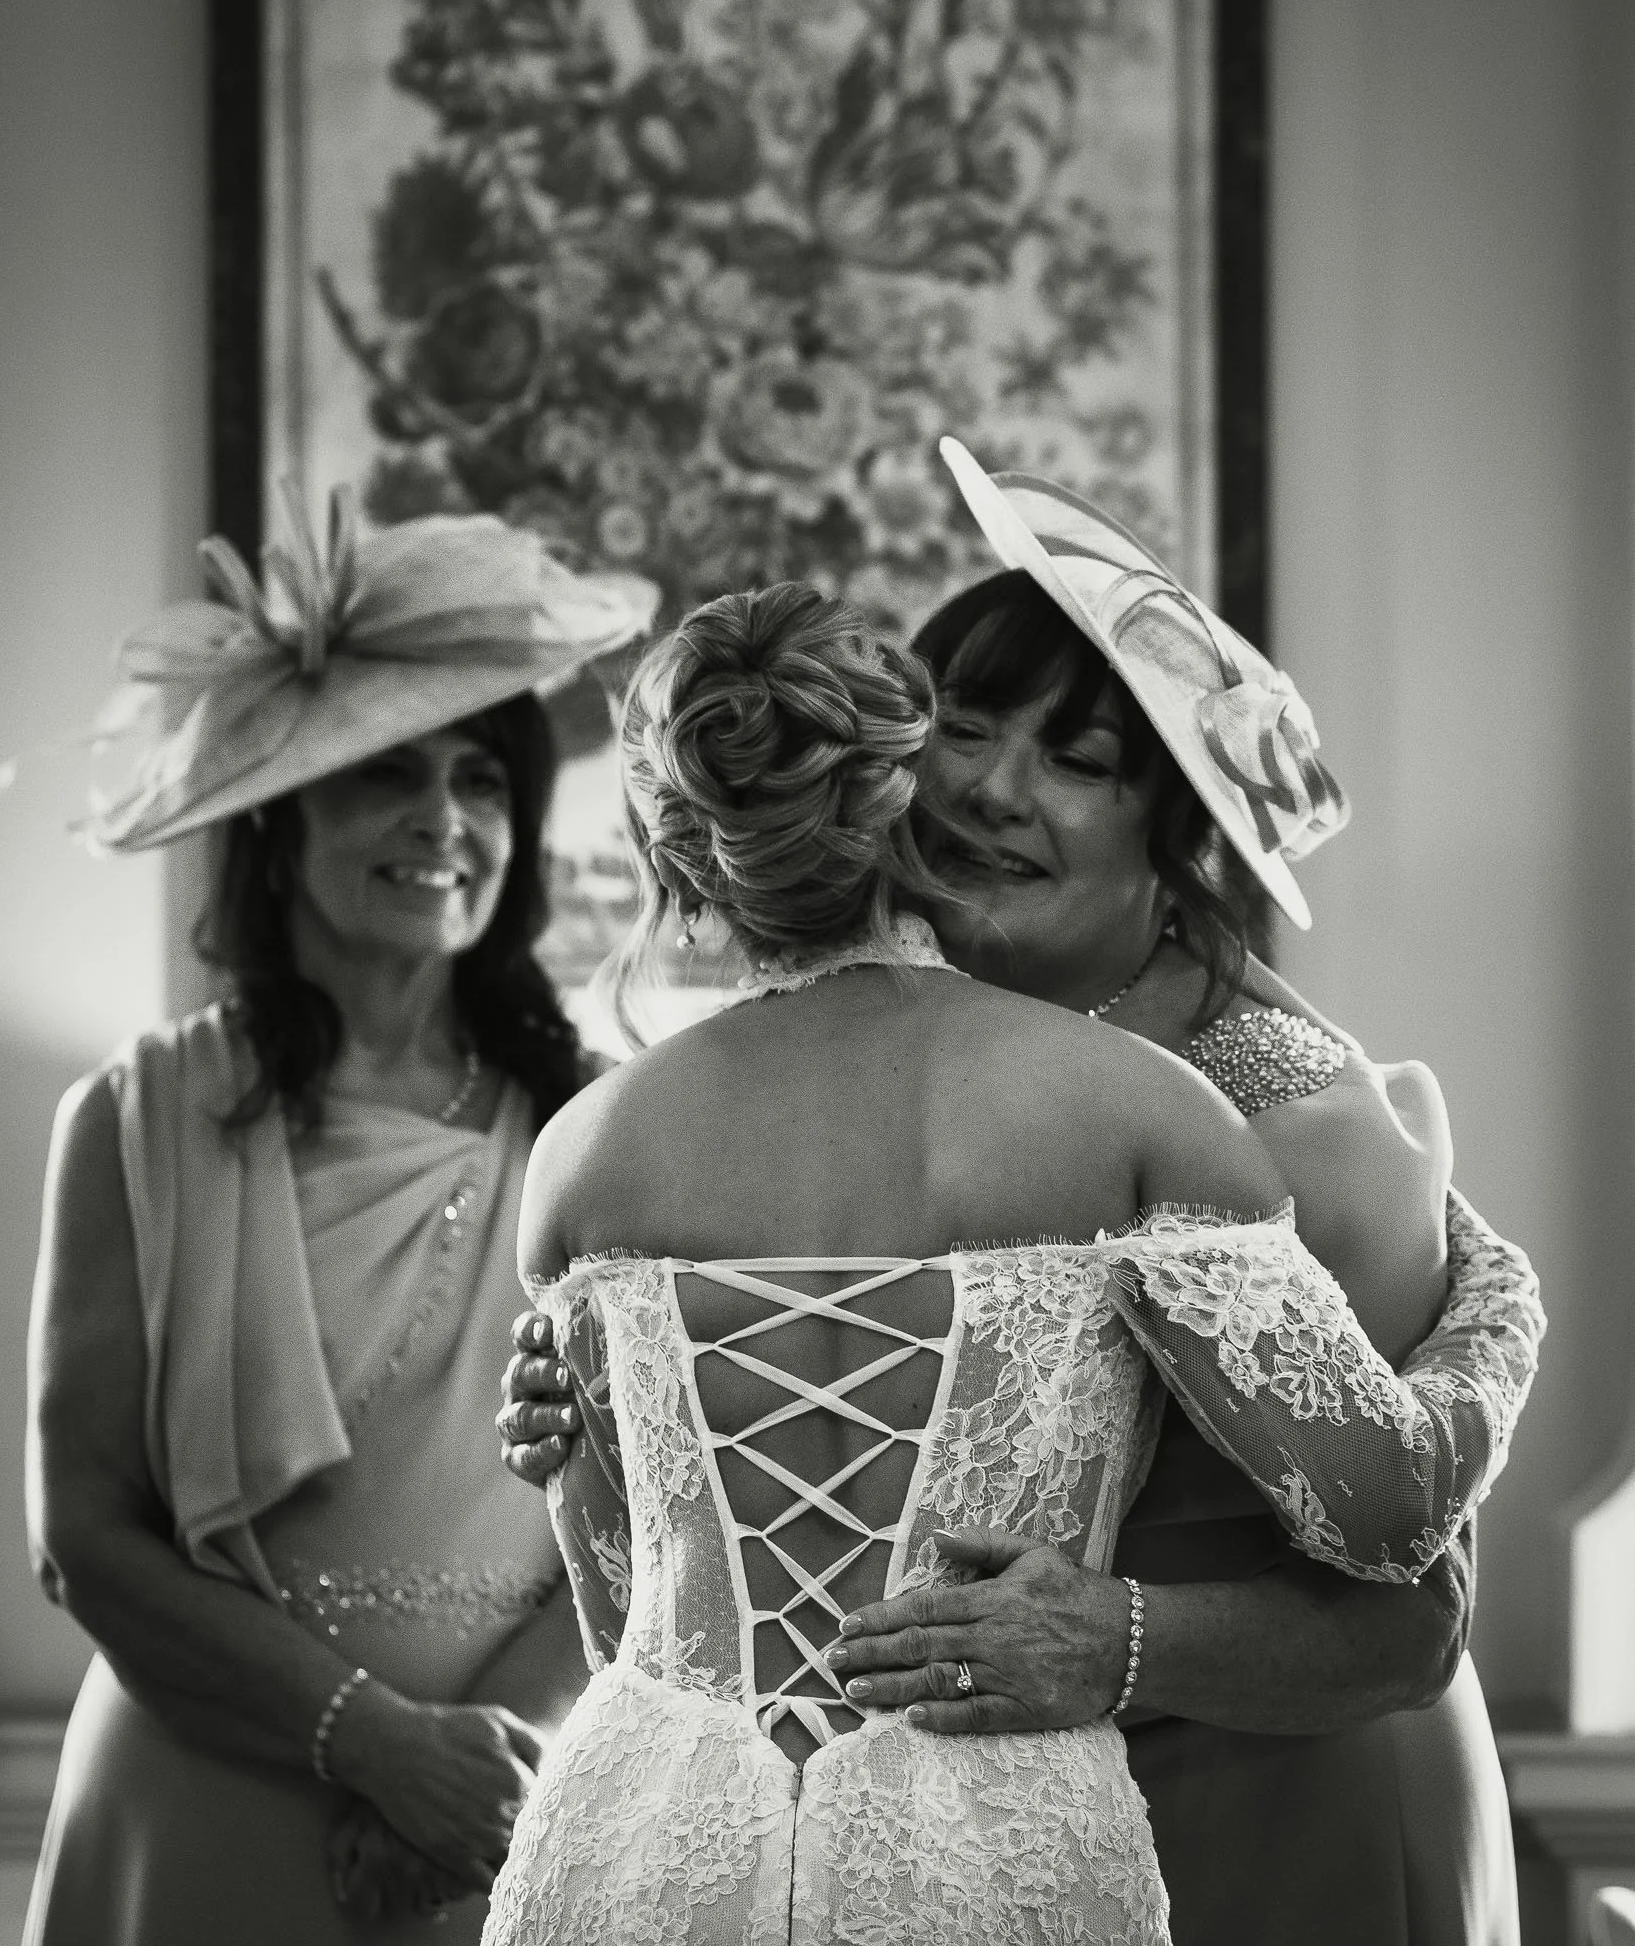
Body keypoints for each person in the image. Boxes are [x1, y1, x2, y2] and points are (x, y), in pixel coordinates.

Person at [498, 441, 1545, 1943]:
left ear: (1173, 831)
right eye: (968, 725)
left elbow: (1408, 1622)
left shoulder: (1299, 1129)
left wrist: (1109, 1641)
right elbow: (659, 1604)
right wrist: (601, 1441)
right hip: (933, 1830)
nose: (988, 789)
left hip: (1273, 1803)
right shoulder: (1015, 1081)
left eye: (1077, 759)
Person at [23, 499, 655, 1943]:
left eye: (481, 782)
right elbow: (85, 1535)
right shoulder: (132, 1120)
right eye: (386, 777)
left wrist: (494, 1759)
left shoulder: (595, 1130)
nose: (444, 821)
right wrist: (366, 1742)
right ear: (275, 820)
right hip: (199, 1788)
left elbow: (644, 1517)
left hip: (505, 1806)